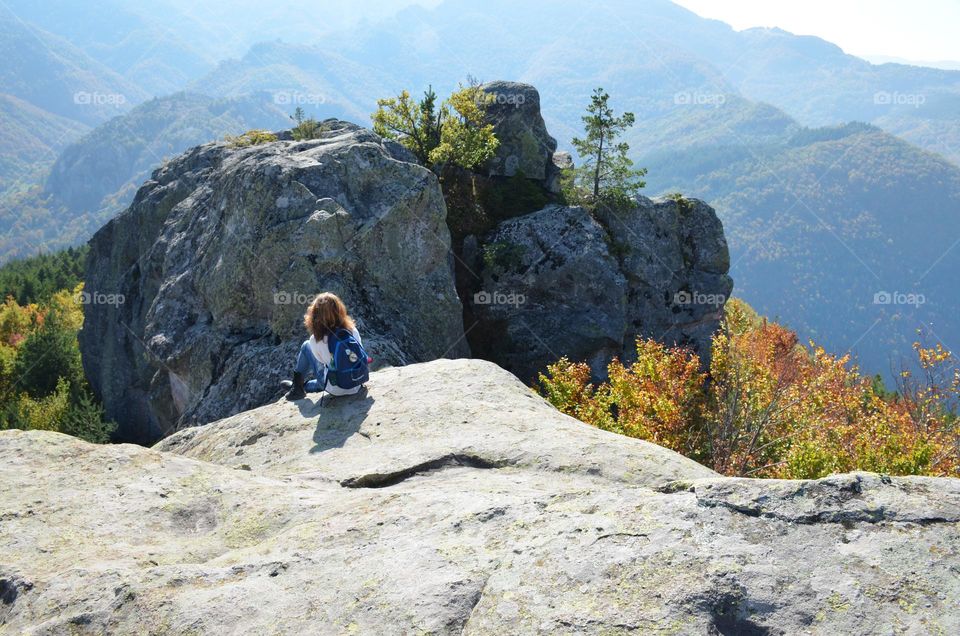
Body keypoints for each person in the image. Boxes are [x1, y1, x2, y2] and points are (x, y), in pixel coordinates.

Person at [281, 292, 369, 400]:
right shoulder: (352, 330)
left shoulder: (315, 339)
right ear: (340, 310)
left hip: (335, 387)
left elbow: (321, 361)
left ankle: (297, 387)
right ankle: (301, 386)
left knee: (306, 346)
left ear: (315, 315)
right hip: (357, 381)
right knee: (328, 372)